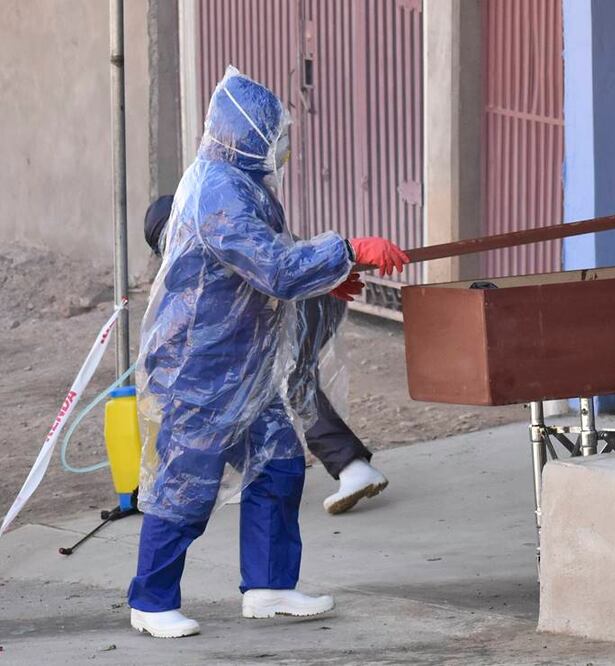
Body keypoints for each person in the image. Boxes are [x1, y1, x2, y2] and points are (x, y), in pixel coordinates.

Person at [128, 67, 408, 639]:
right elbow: (275, 267)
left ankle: (269, 587)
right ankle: (151, 602)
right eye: (276, 136)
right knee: (185, 484)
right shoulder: (219, 192)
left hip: (244, 367)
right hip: (199, 368)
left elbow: (263, 266)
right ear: (247, 135)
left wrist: (326, 279)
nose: (283, 148)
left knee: (278, 464)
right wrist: (347, 250)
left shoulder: (243, 185)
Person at [145, 196, 388, 516]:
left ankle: (352, 467)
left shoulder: (212, 233)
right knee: (253, 387)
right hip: (306, 290)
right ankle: (256, 475)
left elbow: (271, 269)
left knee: (289, 379)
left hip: (302, 296)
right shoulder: (213, 222)